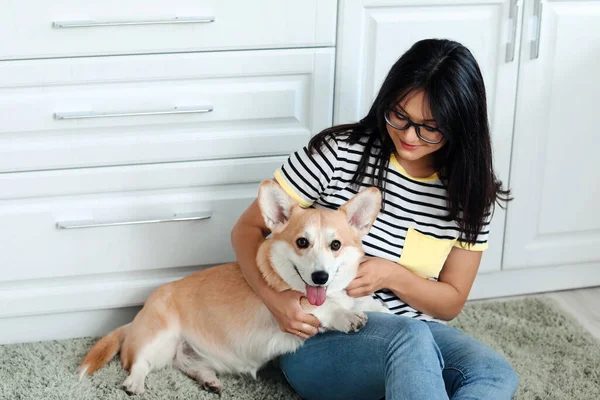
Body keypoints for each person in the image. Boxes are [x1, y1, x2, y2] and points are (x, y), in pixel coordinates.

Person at [230, 38, 519, 400]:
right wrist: (275, 300)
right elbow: (246, 229)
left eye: (430, 127)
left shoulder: (470, 195)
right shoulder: (337, 151)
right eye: (400, 115)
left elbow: (451, 302)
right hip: (320, 334)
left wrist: (391, 275)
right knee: (410, 340)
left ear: (461, 126)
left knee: (494, 374)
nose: (409, 135)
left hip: (413, 329)